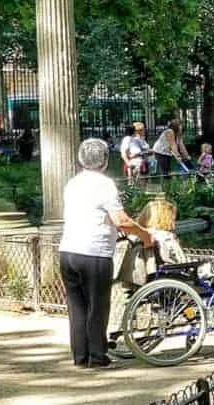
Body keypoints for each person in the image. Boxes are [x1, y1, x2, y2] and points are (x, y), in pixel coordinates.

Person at [59, 137, 153, 369]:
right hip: (95, 253)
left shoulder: (72, 183)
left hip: (68, 250)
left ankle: (81, 356)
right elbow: (121, 220)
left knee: (77, 306)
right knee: (97, 305)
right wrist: (145, 236)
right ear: (104, 161)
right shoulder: (104, 185)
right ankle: (98, 356)